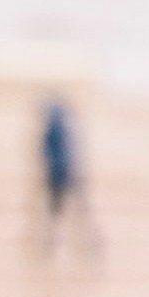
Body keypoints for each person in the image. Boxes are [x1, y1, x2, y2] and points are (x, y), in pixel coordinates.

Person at [46, 94, 102, 265]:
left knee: (66, 212)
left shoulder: (55, 131)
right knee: (72, 212)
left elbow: (54, 156)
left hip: (62, 176)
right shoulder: (61, 130)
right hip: (65, 176)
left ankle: (80, 244)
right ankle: (61, 244)